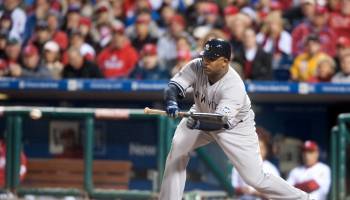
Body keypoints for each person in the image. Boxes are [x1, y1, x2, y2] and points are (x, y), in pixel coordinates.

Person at [160, 38, 310, 200]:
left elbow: (220, 122)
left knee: (255, 179)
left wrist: (197, 123)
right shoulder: (197, 65)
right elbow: (173, 87)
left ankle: (303, 198)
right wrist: (172, 102)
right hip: (201, 113)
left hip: (234, 128)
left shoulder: (234, 86)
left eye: (211, 59)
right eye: (205, 56)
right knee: (177, 151)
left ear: (224, 62)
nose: (205, 62)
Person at [232, 128, 280, 199]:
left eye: (261, 148)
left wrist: (256, 193)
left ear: (266, 150)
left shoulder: (271, 169)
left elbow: (276, 194)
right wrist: (242, 190)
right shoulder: (239, 165)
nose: (258, 151)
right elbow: (233, 189)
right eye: (255, 147)